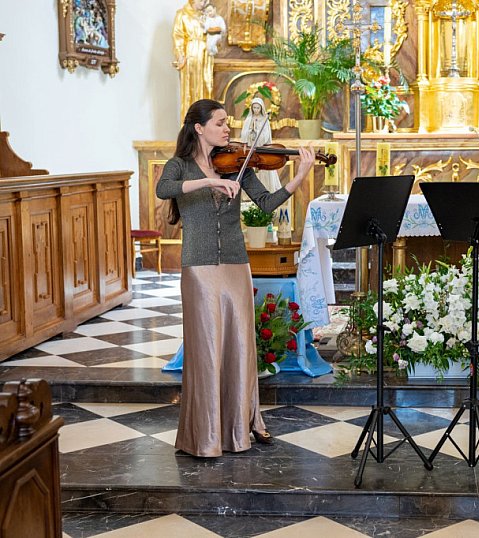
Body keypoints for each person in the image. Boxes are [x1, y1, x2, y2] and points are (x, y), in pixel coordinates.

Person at [156, 99, 315, 457]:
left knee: (241, 346)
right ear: (199, 128)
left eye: (227, 122)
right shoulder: (179, 166)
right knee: (206, 348)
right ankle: (206, 433)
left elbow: (267, 203)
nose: (227, 129)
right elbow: (163, 189)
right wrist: (207, 182)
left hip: (235, 264)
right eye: (220, 123)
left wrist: (300, 175)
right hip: (199, 268)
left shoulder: (236, 164)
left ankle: (243, 424)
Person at [172, 0, 213, 122]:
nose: (204, 3)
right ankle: (191, 124)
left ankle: (206, 124)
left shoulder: (206, 15)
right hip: (192, 53)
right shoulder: (182, 14)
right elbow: (178, 36)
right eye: (201, 0)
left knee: (206, 86)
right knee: (191, 87)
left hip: (206, 55)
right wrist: (180, 54)